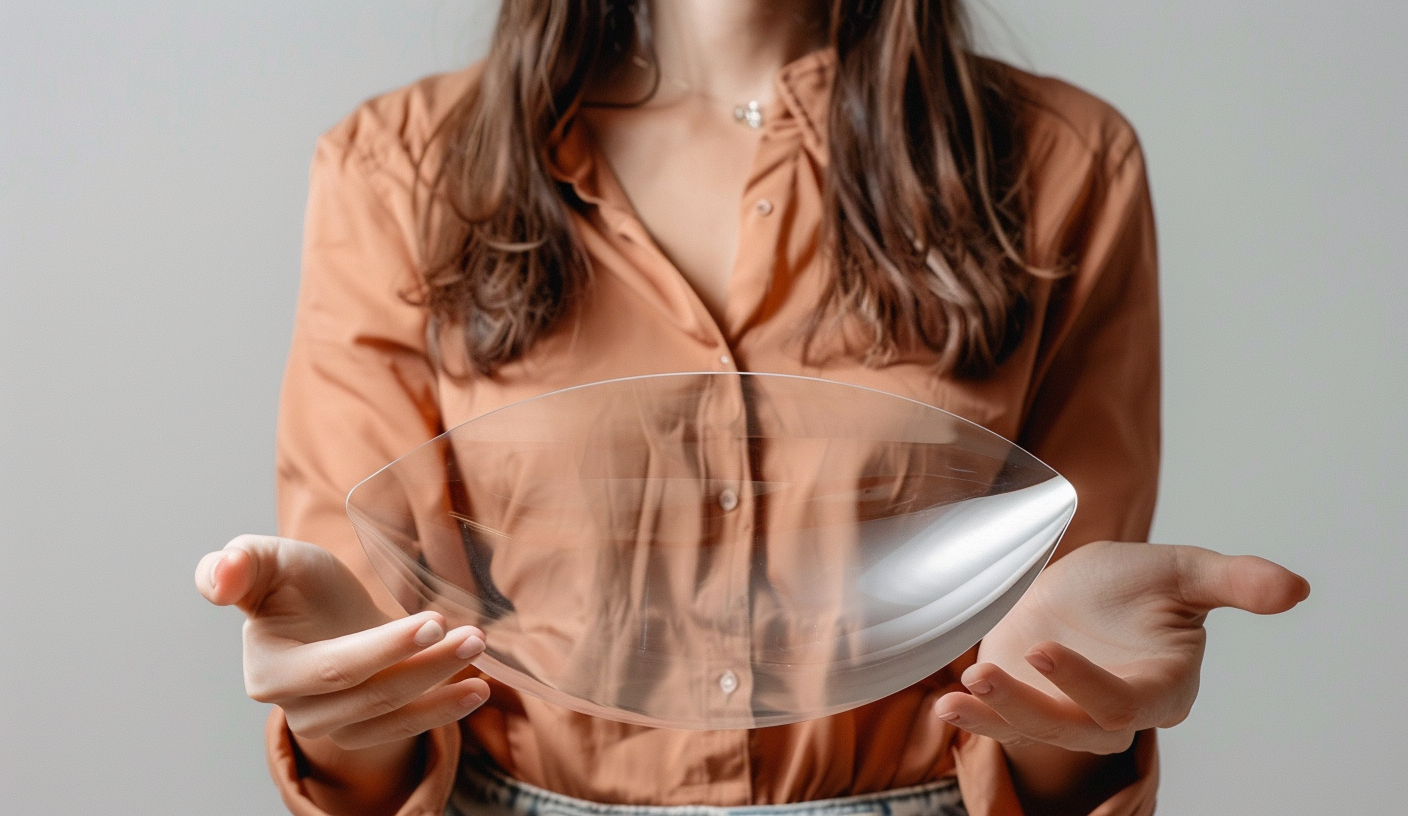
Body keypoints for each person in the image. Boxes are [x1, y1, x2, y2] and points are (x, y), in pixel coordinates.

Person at [194, 2, 1310, 815]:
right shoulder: (398, 170)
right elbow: (379, 683)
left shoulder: (1065, 162)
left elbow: (1047, 694)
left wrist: (1082, 720)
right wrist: (339, 714)